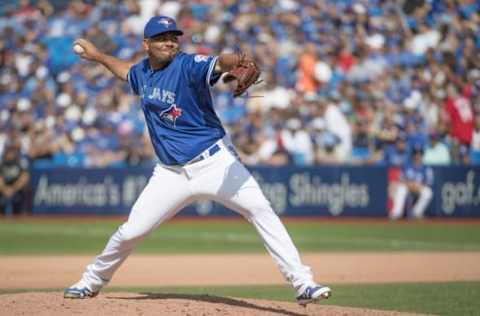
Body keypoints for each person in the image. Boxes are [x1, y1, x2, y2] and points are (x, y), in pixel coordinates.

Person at [64, 16, 331, 305]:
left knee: (261, 210)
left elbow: (220, 62)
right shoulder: (142, 72)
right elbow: (125, 70)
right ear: (146, 44)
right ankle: (91, 281)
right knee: (131, 232)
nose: (169, 42)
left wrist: (235, 61)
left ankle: (303, 283)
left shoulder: (188, 65)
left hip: (215, 162)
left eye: (173, 37)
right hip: (170, 174)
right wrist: (98, 57)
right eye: (162, 37)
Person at [390, 146, 433, 220]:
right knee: (400, 189)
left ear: (422, 156)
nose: (417, 156)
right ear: (413, 155)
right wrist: (409, 185)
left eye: (419, 154)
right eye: (416, 154)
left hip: (419, 188)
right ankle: (396, 213)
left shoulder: (426, 168)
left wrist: (418, 186)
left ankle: (417, 212)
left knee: (428, 192)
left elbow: (429, 182)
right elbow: (401, 180)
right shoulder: (407, 166)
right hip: (407, 187)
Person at [0, 144, 32, 216]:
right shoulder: (2, 164)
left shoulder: (19, 163)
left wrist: (13, 189)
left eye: (12, 152)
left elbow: (25, 177)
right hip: (4, 189)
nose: (10, 154)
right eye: (9, 152)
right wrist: (5, 189)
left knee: (26, 188)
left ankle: (23, 213)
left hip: (17, 189)